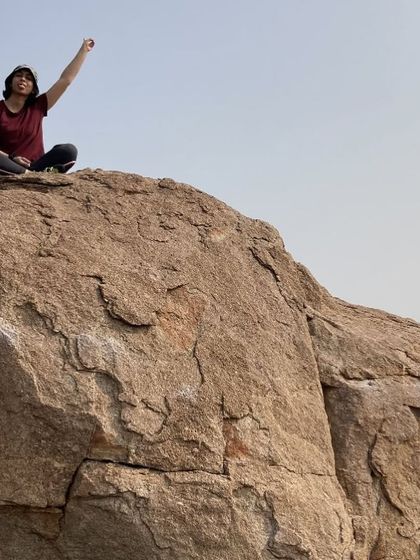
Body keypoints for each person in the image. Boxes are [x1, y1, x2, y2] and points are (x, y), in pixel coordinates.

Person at [0, 38, 95, 175]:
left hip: (36, 165)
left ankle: (34, 174)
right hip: (8, 164)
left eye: (28, 78)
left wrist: (84, 50)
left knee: (68, 150)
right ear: (10, 82)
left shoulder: (38, 106)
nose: (23, 79)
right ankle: (28, 174)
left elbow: (65, 80)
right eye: (19, 76)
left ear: (33, 88)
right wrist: (12, 158)